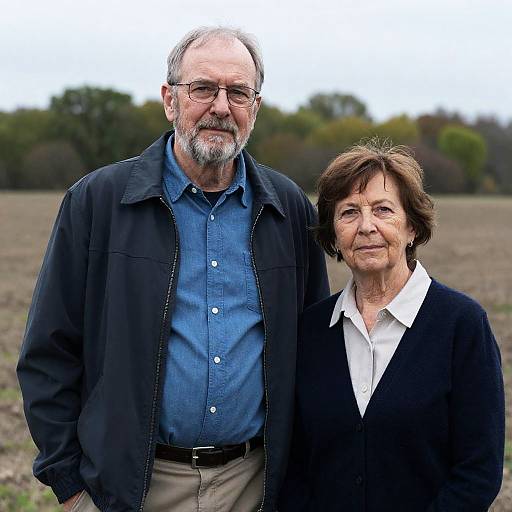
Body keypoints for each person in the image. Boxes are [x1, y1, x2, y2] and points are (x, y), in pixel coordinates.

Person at [17, 27, 329, 512]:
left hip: (255, 485)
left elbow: (314, 354)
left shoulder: (288, 209)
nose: (221, 107)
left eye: (238, 93)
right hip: (133, 490)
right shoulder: (99, 202)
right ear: (170, 99)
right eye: (203, 88)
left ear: (256, 108)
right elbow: (47, 352)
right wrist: (73, 489)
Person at [278, 141, 505, 511]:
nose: (366, 227)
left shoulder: (462, 326)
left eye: (383, 210)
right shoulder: (312, 330)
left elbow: (478, 470)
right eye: (349, 213)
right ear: (334, 236)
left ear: (412, 226)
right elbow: (295, 463)